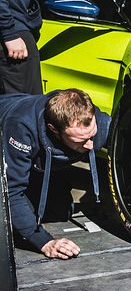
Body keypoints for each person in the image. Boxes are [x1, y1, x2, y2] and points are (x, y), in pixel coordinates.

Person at [0, 88, 110, 259]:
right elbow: (10, 192)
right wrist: (44, 242)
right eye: (80, 140)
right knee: (13, 223)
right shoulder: (20, 127)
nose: (90, 145)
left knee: (60, 212)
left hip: (38, 162)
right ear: (54, 129)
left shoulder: (96, 120)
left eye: (92, 136)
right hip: (7, 137)